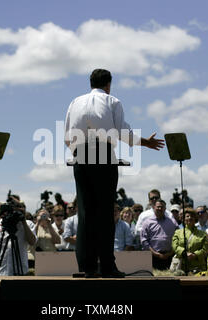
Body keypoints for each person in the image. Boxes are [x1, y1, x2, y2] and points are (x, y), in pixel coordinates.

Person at [64, 69, 164, 277]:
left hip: (80, 157)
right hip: (103, 155)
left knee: (85, 214)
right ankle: (107, 266)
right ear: (108, 84)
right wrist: (146, 142)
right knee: (104, 214)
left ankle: (86, 268)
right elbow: (122, 132)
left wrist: (80, 151)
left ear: (90, 83)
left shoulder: (75, 102)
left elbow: (67, 137)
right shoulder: (112, 101)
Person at [0, 204, 36, 276]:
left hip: (20, 269)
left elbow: (32, 241)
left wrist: (23, 222)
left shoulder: (28, 224)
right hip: (2, 268)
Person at [141, 200, 178, 270]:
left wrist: (170, 253)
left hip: (169, 257)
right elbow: (144, 241)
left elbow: (178, 238)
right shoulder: (147, 223)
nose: (160, 209)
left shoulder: (173, 222)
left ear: (165, 209)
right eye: (158, 207)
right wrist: (155, 253)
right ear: (154, 207)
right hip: (153, 257)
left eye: (162, 207)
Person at [172, 208, 208, 274]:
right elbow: (175, 246)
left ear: (195, 219)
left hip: (198, 269)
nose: (190, 218)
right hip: (181, 269)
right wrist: (184, 253)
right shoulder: (178, 232)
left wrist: (195, 255)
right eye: (187, 216)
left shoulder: (203, 234)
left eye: (192, 216)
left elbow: (205, 249)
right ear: (183, 219)